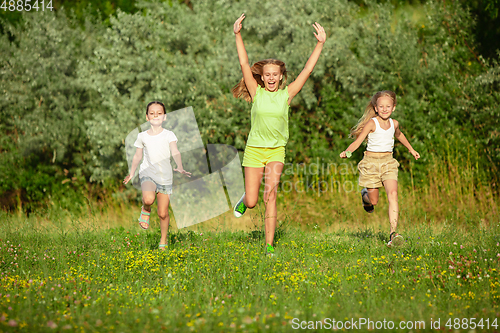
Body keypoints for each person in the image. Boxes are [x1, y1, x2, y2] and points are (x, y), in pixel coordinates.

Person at [231, 14, 326, 256]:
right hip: (254, 151)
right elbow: (244, 64)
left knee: (270, 195)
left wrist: (320, 44)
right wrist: (238, 35)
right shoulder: (256, 93)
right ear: (261, 77)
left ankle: (269, 245)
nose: (272, 78)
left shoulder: (287, 94)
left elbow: (307, 69)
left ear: (281, 77)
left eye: (276, 74)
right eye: (267, 74)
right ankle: (244, 199)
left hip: (276, 151)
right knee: (252, 202)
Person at [340, 91, 420, 247]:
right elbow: (358, 141)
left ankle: (393, 233)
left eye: (388, 106)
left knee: (393, 194)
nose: (384, 109)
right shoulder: (372, 123)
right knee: (374, 201)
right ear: (376, 108)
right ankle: (365, 197)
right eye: (381, 106)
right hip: (371, 163)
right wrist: (348, 151)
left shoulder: (394, 123)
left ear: (393, 107)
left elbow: (400, 135)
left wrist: (411, 149)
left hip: (388, 162)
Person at [123, 101, 191, 250]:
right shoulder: (142, 136)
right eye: (152, 113)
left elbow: (175, 151)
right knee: (149, 198)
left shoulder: (169, 135)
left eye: (159, 113)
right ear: (147, 117)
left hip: (165, 177)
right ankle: (146, 208)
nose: (155, 116)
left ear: (164, 117)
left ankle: (163, 240)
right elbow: (137, 156)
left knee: (162, 213)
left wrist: (179, 165)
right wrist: (132, 173)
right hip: (147, 173)